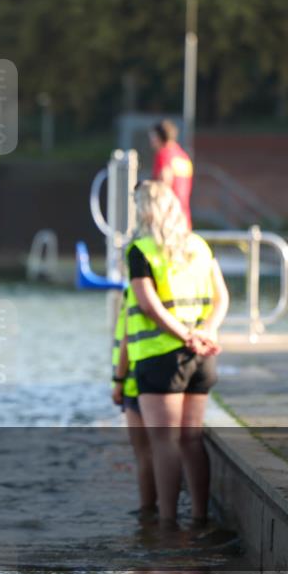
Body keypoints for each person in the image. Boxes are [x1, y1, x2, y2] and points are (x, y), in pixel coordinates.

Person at [125, 181, 228, 527]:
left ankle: (166, 524)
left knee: (164, 442)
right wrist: (206, 333)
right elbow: (221, 298)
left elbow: (149, 306)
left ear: (143, 211)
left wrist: (186, 336)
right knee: (191, 439)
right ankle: (199, 517)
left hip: (160, 358)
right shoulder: (199, 246)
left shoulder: (140, 250)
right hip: (202, 358)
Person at [110, 291, 156, 519]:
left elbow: (128, 338)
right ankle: (170, 515)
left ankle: (149, 513)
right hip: (170, 370)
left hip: (135, 380)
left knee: (144, 453)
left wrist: (118, 380)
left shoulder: (136, 289)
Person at [149, 120, 193, 228]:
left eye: (153, 137)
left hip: (168, 220)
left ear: (160, 137)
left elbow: (164, 183)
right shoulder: (184, 156)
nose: (151, 141)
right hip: (184, 218)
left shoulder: (163, 154)